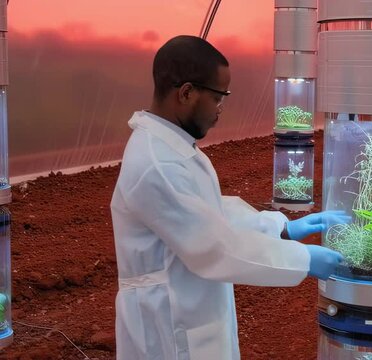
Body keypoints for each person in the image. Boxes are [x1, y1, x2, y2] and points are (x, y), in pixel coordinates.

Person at [110, 35, 348, 360]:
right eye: (218, 98)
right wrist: (302, 260)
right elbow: (216, 248)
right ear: (187, 92)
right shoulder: (157, 162)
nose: (221, 109)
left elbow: (209, 212)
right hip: (167, 326)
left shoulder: (173, 148)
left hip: (188, 310)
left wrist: (281, 228)